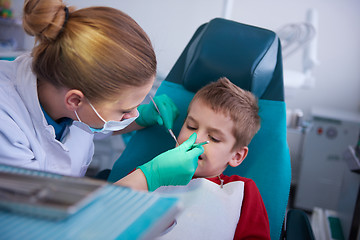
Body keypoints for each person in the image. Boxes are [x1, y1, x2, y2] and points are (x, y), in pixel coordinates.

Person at [0, 0, 204, 191]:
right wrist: (150, 177)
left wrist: (144, 116)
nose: (133, 114)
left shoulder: (66, 82)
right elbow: (39, 210)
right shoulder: (6, 126)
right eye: (125, 110)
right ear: (74, 100)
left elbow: (91, 124)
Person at [154, 77, 270, 240]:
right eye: (191, 126)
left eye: (214, 138)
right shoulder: (154, 170)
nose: (195, 138)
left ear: (236, 156)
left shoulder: (242, 192)